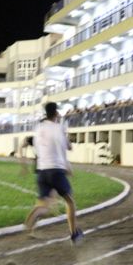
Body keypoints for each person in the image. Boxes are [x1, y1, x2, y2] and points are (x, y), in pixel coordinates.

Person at [24, 102, 84, 245]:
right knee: (69, 201)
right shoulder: (58, 128)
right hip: (56, 170)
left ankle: (29, 225)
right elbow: (68, 147)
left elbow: (38, 146)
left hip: (41, 170)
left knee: (43, 206)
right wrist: (67, 166)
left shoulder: (39, 128)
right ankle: (74, 233)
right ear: (56, 113)